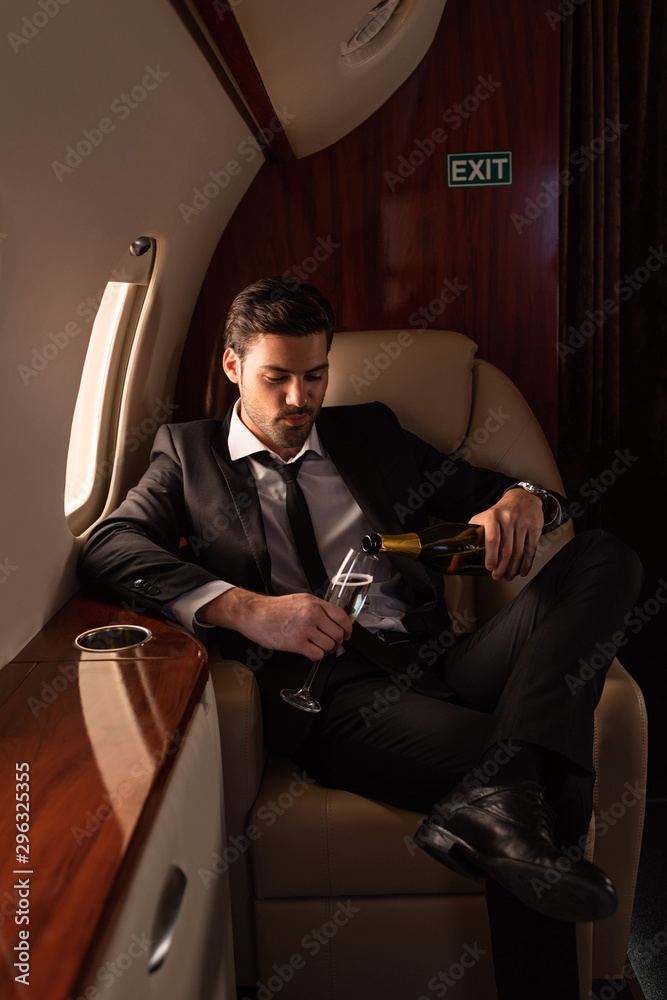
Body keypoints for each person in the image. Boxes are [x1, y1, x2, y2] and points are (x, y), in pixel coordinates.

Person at [78, 277, 643, 999]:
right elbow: (108, 546)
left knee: (603, 559)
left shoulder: (369, 433)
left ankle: (495, 803)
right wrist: (247, 609)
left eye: (313, 377)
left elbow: (508, 492)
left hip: (437, 659)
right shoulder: (187, 457)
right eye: (275, 378)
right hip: (329, 693)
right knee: (521, 771)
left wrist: (520, 502)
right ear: (232, 368)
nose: (296, 400)